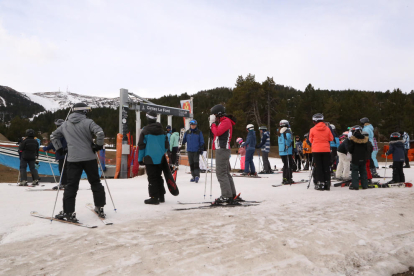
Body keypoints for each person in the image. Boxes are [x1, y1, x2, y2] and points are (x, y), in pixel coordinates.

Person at [51, 103, 106, 222]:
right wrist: (98, 145)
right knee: (95, 182)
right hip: (89, 158)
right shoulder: (88, 122)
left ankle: (68, 212)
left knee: (71, 186)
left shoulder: (65, 124)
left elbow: (53, 136)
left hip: (73, 159)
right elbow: (100, 133)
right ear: (83, 111)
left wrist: (60, 149)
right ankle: (100, 207)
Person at [138, 110, 169, 205]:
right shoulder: (162, 131)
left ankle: (154, 197)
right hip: (160, 158)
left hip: (149, 157)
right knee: (158, 176)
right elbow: (166, 146)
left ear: (147, 118)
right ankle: (161, 196)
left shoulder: (145, 131)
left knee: (152, 177)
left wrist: (140, 159)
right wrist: (160, 153)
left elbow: (141, 146)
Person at [209, 104, 238, 204]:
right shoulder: (223, 121)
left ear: (219, 114)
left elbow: (217, 132)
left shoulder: (225, 121)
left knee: (221, 173)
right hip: (222, 149)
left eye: (215, 115)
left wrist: (212, 124)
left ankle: (226, 195)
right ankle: (231, 194)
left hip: (222, 150)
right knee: (225, 173)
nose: (214, 118)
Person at [309, 114, 333, 191]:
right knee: (326, 166)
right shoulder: (327, 129)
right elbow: (331, 138)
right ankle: (327, 182)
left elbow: (310, 140)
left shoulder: (312, 129)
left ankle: (320, 182)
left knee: (318, 167)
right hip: (326, 149)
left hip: (316, 150)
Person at [43, 119, 68, 190]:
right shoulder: (67, 132)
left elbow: (54, 142)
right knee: (67, 169)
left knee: (62, 169)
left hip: (62, 153)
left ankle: (64, 183)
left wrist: (47, 148)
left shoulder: (59, 133)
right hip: (68, 153)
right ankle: (67, 183)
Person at [278, 119, 293, 184]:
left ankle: (285, 177)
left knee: (285, 164)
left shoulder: (279, 131)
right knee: (289, 165)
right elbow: (288, 140)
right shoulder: (287, 132)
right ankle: (288, 178)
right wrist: (289, 144)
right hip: (287, 150)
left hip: (281, 151)